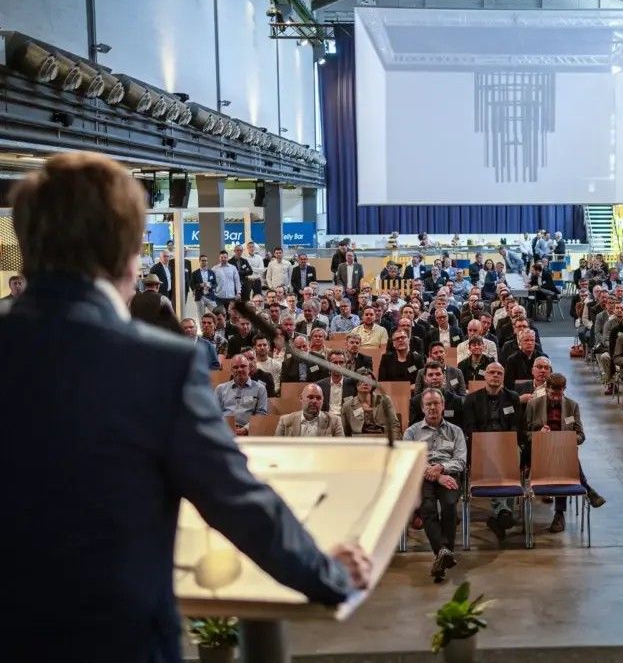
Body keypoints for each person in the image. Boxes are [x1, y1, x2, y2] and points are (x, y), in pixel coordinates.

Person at [0, 152, 370, 661]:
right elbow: (237, 503)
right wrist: (329, 574)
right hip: (114, 640)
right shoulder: (159, 365)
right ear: (129, 252)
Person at [523, 374, 605, 533]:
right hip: (539, 451)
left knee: (565, 459)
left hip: (562, 451)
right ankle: (587, 489)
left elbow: (581, 435)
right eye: (552, 394)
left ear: (564, 390)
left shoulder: (572, 406)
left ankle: (559, 514)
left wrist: (569, 439)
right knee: (567, 460)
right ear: (546, 389)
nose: (555, 398)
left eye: (558, 395)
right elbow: (523, 434)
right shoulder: (533, 405)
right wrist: (538, 434)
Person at [403, 388, 468, 582]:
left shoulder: (455, 431)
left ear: (443, 406)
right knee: (427, 507)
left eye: (436, 403)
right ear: (422, 408)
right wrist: (435, 475)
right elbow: (409, 459)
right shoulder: (412, 432)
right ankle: (443, 551)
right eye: (428, 404)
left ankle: (442, 553)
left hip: (449, 475)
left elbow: (461, 461)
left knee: (449, 504)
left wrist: (441, 468)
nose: (432, 407)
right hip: (422, 477)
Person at [462, 363, 524, 541]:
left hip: (507, 444)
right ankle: (504, 513)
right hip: (481, 445)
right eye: (491, 372)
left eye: (499, 373)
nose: (495, 375)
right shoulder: (472, 399)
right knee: (493, 463)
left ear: (503, 377)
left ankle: (502, 515)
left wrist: (506, 443)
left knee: (514, 455)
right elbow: (470, 428)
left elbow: (516, 425)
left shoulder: (513, 397)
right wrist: (487, 444)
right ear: (485, 376)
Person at [275, 383, 345, 437]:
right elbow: (276, 448)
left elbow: (341, 449)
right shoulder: (285, 421)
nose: (315, 401)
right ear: (301, 398)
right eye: (310, 397)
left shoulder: (335, 421)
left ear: (322, 400)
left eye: (318, 398)